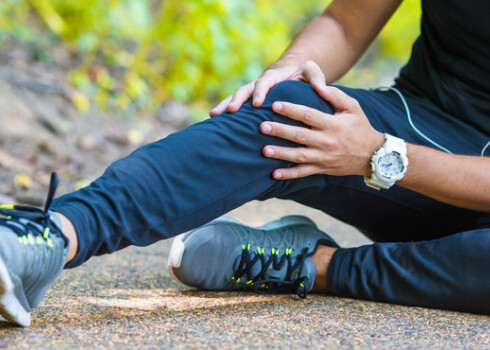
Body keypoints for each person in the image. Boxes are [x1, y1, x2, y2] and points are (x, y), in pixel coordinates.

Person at [1, 0, 489, 327]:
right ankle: (50, 237)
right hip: (426, 121)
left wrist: (381, 155)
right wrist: (286, 72)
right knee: (288, 114)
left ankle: (315, 266)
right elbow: (345, 20)